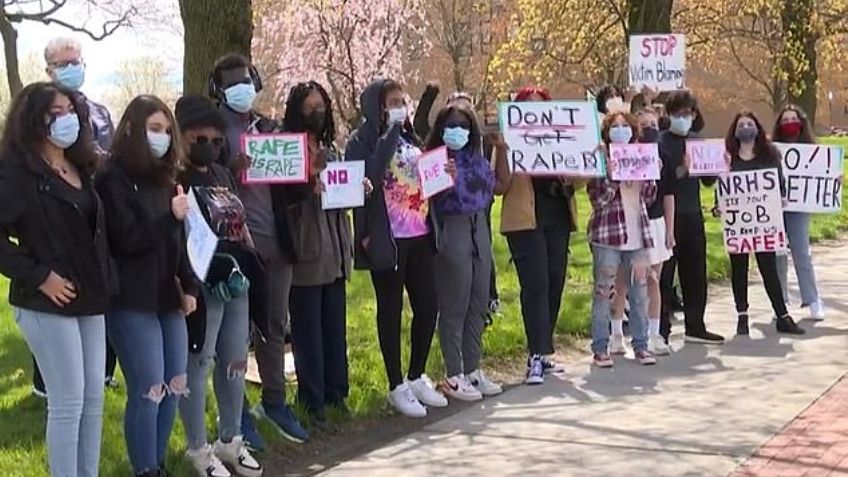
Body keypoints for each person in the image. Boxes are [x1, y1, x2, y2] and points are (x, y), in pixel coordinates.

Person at [0, 82, 110, 477]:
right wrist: (40, 275)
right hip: (46, 301)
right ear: (34, 120)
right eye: (55, 113)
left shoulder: (81, 165)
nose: (66, 120)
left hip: (90, 298)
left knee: (93, 400)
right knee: (68, 403)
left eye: (70, 111)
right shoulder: (15, 174)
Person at [96, 95, 199, 477]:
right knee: (149, 388)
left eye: (168, 130)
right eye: (155, 128)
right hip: (130, 299)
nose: (163, 137)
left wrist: (191, 287)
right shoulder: (111, 178)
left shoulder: (167, 178)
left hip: (168, 296)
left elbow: (179, 240)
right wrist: (168, 218)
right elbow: (126, 238)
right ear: (132, 128)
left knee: (174, 383)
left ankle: (157, 463)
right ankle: (145, 469)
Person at [209, 53, 308, 446]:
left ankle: (274, 401)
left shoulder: (269, 127)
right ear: (218, 89)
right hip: (236, 248)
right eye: (232, 82)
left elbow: (291, 187)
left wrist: (308, 171)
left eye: (246, 80)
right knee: (233, 336)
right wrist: (229, 168)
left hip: (276, 243)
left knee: (273, 326)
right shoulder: (213, 131)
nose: (242, 87)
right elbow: (201, 179)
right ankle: (235, 414)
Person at [346, 78, 448, 418]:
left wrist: (441, 173)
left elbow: (421, 180)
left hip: (420, 233)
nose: (400, 108)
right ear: (377, 107)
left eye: (402, 102)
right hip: (387, 237)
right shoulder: (361, 141)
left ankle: (416, 375)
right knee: (390, 310)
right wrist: (389, 132)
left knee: (428, 304)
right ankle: (395, 384)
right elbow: (370, 176)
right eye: (392, 103)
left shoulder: (410, 138)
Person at [174, 95, 264, 477]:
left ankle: (231, 438)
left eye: (216, 140)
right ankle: (198, 447)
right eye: (200, 139)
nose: (209, 145)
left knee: (234, 360)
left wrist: (252, 255)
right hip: (200, 284)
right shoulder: (174, 180)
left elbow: (238, 222)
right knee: (199, 362)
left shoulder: (222, 175)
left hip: (236, 279)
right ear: (181, 136)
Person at [30, 36, 118, 399]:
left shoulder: (99, 112)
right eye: (63, 63)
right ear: (49, 69)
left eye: (76, 61)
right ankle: (45, 382)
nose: (72, 68)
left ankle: (103, 372)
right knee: (59, 300)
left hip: (96, 209)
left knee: (99, 292)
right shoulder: (37, 113)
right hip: (57, 215)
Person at [282, 81, 363, 426]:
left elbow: (340, 188)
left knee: (334, 327)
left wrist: (356, 187)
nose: (316, 113)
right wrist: (308, 181)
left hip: (335, 249)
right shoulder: (288, 149)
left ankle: (336, 393)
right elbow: (282, 198)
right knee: (308, 332)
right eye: (309, 107)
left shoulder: (331, 147)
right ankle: (312, 400)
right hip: (306, 248)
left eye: (321, 107)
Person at [494, 86, 575, 385]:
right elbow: (500, 185)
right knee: (536, 284)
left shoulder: (561, 138)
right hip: (524, 220)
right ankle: (535, 355)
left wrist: (588, 157)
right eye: (529, 107)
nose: (536, 113)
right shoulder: (509, 140)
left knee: (555, 280)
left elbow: (579, 178)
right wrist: (504, 150)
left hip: (557, 215)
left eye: (541, 106)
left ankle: (545, 348)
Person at [424, 103, 503, 401]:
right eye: (452, 125)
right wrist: (447, 179)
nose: (458, 131)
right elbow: (430, 196)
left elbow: (497, 186)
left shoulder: (477, 159)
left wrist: (502, 152)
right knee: (455, 302)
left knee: (478, 301)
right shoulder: (436, 159)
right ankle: (453, 372)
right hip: (452, 227)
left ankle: (472, 368)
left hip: (479, 226)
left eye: (464, 126)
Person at [721, 111, 805, 336]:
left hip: (763, 225)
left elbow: (780, 184)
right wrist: (720, 205)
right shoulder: (728, 159)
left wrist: (782, 198)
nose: (745, 128)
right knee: (739, 269)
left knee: (769, 269)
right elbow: (721, 187)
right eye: (741, 125)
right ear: (734, 131)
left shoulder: (769, 155)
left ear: (757, 128)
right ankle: (742, 316)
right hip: (738, 225)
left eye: (749, 124)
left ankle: (782, 315)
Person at [588, 111, 658, 368]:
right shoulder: (600, 158)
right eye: (615, 126)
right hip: (608, 236)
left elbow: (649, 197)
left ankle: (641, 345)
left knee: (639, 293)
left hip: (638, 236)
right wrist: (612, 175)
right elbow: (598, 200)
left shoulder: (641, 155)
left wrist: (650, 173)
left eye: (625, 126)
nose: (620, 130)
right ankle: (600, 347)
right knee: (603, 292)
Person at [657, 91, 725, 345]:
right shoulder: (661, 142)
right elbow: (660, 182)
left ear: (694, 115)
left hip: (693, 214)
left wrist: (718, 165)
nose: (683, 118)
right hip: (667, 217)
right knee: (664, 276)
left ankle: (695, 325)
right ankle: (661, 329)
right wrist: (682, 170)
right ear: (669, 115)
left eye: (687, 113)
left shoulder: (698, 141)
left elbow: (707, 180)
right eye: (678, 114)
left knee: (696, 273)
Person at [609, 107, 674, 356]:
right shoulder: (623, 154)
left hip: (654, 224)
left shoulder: (660, 156)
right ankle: (616, 334)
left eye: (653, 124)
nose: (649, 129)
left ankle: (654, 334)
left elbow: (667, 195)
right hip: (628, 223)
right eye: (643, 125)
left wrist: (670, 229)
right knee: (623, 282)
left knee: (653, 280)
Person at [771, 105, 826, 320]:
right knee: (778, 254)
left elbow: (824, 173)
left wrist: (834, 180)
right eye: (785, 120)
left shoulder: (812, 150)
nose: (789, 124)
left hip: (799, 208)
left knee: (802, 252)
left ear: (801, 122)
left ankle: (812, 299)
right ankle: (781, 302)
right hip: (775, 207)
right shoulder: (772, 150)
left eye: (793, 119)